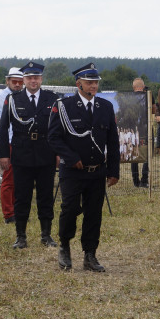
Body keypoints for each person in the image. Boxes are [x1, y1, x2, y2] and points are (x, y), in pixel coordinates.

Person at [47, 63, 119, 272]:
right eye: (89, 82)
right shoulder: (63, 106)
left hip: (96, 170)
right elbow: (53, 137)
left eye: (96, 82)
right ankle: (65, 247)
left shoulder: (105, 107)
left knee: (94, 213)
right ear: (78, 84)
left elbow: (112, 141)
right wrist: (71, 157)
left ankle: (90, 254)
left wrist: (113, 170)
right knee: (69, 209)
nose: (93, 86)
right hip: (72, 170)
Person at [0, 61, 61, 250]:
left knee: (45, 196)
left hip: (45, 152)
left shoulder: (52, 98)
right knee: (22, 196)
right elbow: (3, 129)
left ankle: (46, 234)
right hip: (21, 152)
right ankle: (21, 236)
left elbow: (58, 128)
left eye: (37, 77)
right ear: (23, 80)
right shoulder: (13, 99)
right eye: (29, 78)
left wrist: (58, 152)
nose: (33, 81)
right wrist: (3, 154)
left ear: (41, 79)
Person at [0, 68, 24, 224]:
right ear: (7, 81)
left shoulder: (22, 95)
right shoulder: (3, 96)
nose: (18, 84)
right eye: (14, 81)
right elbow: (8, 122)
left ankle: (16, 209)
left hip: (22, 141)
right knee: (8, 179)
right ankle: (8, 213)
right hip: (11, 140)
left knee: (19, 178)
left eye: (20, 82)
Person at [130, 77, 151, 188]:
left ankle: (135, 182)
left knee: (134, 155)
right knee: (147, 154)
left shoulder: (129, 98)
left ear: (133, 88)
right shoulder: (148, 96)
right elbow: (152, 108)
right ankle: (144, 180)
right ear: (143, 87)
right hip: (146, 128)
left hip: (133, 129)